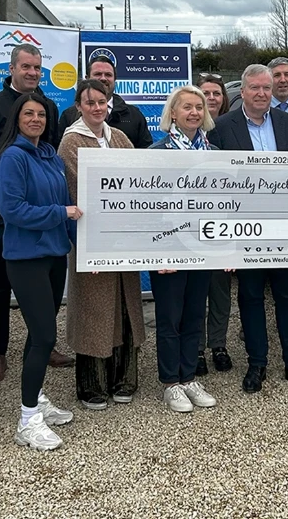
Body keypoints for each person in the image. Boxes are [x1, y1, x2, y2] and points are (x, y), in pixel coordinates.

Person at [209, 64, 288, 394]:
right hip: (245, 228)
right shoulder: (222, 127)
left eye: (266, 87)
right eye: (255, 88)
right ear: (243, 91)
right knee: (250, 297)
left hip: (285, 227)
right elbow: (214, 182)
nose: (261, 93)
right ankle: (257, 363)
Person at [0, 43, 73, 384]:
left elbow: (49, 154)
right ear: (11, 69)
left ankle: (42, 342)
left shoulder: (48, 107)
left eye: (37, 68)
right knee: (0, 283)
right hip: (4, 216)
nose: (32, 73)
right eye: (26, 66)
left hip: (45, 212)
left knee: (49, 280)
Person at [0, 93, 82, 451]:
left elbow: (66, 205)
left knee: (37, 332)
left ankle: (38, 398)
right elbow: (12, 210)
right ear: (17, 118)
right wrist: (61, 214)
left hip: (54, 255)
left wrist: (84, 247)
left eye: (41, 114)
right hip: (26, 258)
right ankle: (27, 420)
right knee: (45, 336)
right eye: (28, 113)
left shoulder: (49, 155)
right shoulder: (12, 158)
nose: (35, 119)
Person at [58, 79, 146, 410]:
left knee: (125, 307)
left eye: (101, 102)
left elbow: (138, 181)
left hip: (124, 238)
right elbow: (77, 191)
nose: (96, 107)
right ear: (79, 106)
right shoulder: (70, 142)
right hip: (90, 238)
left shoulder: (120, 137)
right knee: (94, 311)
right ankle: (91, 384)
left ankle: (124, 378)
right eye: (89, 102)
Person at [148, 85, 218, 412]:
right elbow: (147, 208)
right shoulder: (156, 152)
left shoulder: (215, 154)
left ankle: (188, 377)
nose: (194, 112)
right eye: (187, 107)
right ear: (173, 113)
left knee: (194, 315)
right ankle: (170, 383)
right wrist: (157, 253)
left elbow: (227, 204)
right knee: (169, 317)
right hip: (168, 249)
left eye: (198, 107)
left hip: (202, 247)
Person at [195, 73, 233, 376]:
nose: (211, 98)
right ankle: (196, 348)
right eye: (204, 93)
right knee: (196, 293)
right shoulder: (183, 138)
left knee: (220, 292)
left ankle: (218, 344)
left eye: (216, 93)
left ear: (224, 97)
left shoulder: (230, 130)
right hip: (189, 226)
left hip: (222, 223)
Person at [58, 55, 153, 148]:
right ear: (87, 78)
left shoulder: (134, 115)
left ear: (115, 79)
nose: (103, 78)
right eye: (98, 74)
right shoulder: (69, 116)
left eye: (108, 75)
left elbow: (146, 153)